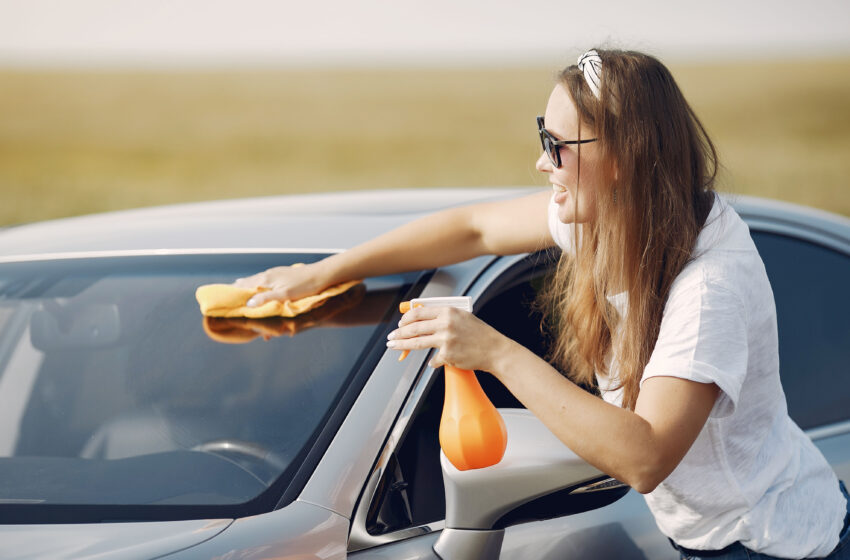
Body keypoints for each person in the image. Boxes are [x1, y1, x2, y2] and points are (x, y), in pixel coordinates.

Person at [234, 48, 849, 559]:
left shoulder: (709, 288)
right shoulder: (610, 219)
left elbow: (645, 455)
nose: (541, 161)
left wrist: (494, 352)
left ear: (621, 159)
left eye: (558, 145)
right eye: (542, 135)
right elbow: (472, 229)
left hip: (772, 544)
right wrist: (324, 273)